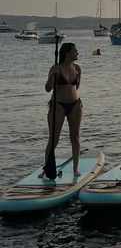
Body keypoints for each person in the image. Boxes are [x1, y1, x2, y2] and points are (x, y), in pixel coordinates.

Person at [40, 43, 83, 177]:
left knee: (75, 137)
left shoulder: (77, 68)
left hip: (75, 105)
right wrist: (52, 75)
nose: (77, 53)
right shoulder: (55, 68)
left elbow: (77, 87)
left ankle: (76, 168)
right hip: (58, 105)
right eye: (75, 51)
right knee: (54, 139)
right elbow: (48, 88)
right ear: (67, 53)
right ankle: (46, 169)